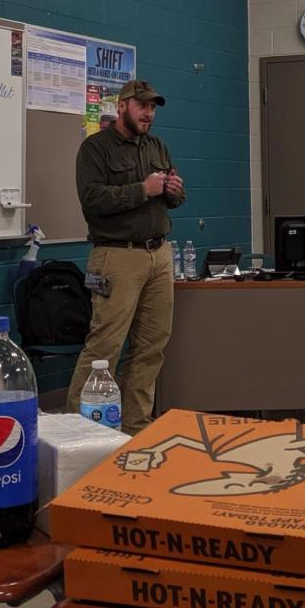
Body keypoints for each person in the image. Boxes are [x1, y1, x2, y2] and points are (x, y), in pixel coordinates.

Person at [67, 78, 184, 434]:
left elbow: (172, 199)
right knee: (105, 346)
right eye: (142, 105)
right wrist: (142, 189)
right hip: (117, 257)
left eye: (152, 107)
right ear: (121, 107)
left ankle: (135, 426)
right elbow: (92, 201)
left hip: (158, 254)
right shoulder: (95, 149)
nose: (149, 113)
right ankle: (77, 430)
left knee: (151, 346)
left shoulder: (157, 146)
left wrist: (175, 191)